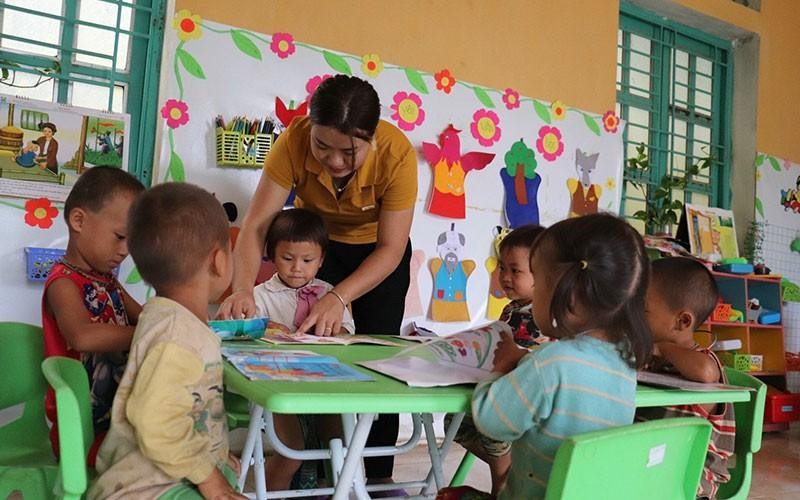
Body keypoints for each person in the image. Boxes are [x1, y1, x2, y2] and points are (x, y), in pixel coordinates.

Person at [218, 74, 417, 488]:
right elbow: (256, 227)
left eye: (349, 151)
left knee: (379, 363)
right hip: (319, 247)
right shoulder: (292, 141)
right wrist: (241, 288)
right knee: (314, 354)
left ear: (371, 138)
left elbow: (391, 248)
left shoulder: (397, 154)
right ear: (310, 127)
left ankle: (377, 480)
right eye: (322, 146)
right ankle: (323, 476)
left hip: (377, 254)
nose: (335, 161)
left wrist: (339, 297)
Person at [471, 213, 652, 500]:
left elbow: (491, 421)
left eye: (539, 283)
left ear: (570, 295)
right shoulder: (624, 362)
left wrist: (501, 366)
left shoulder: (552, 362)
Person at [89, 182, 245, 499]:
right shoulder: (178, 336)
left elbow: (188, 404)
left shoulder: (166, 317)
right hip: (149, 488)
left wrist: (213, 453)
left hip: (166, 476)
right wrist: (209, 478)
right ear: (219, 261)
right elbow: (156, 420)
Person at [42, 165, 144, 465]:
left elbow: (145, 316)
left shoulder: (108, 281)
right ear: (79, 221)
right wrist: (149, 332)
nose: (125, 250)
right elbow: (82, 336)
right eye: (120, 236)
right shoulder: (63, 282)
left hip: (116, 421)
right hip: (80, 430)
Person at [444, 224, 547, 496]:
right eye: (502, 268)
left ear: (543, 275)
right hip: (497, 385)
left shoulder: (546, 314)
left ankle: (501, 484)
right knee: (454, 423)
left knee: (493, 428)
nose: (505, 277)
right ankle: (512, 469)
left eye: (515, 270)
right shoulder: (511, 308)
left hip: (522, 397)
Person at [254, 207, 352, 491]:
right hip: (277, 386)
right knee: (291, 453)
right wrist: (267, 329)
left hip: (325, 383)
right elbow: (248, 338)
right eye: (288, 258)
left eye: (307, 260)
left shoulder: (331, 294)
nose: (297, 267)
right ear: (271, 255)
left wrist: (332, 329)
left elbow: (348, 332)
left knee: (341, 443)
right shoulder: (260, 295)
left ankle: (336, 492)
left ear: (321, 260)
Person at [638, 257, 734, 499]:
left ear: (682, 321)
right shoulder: (651, 360)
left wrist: (663, 348)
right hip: (651, 465)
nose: (634, 316)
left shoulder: (704, 361)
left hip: (691, 478)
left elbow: (705, 373)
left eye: (643, 309)